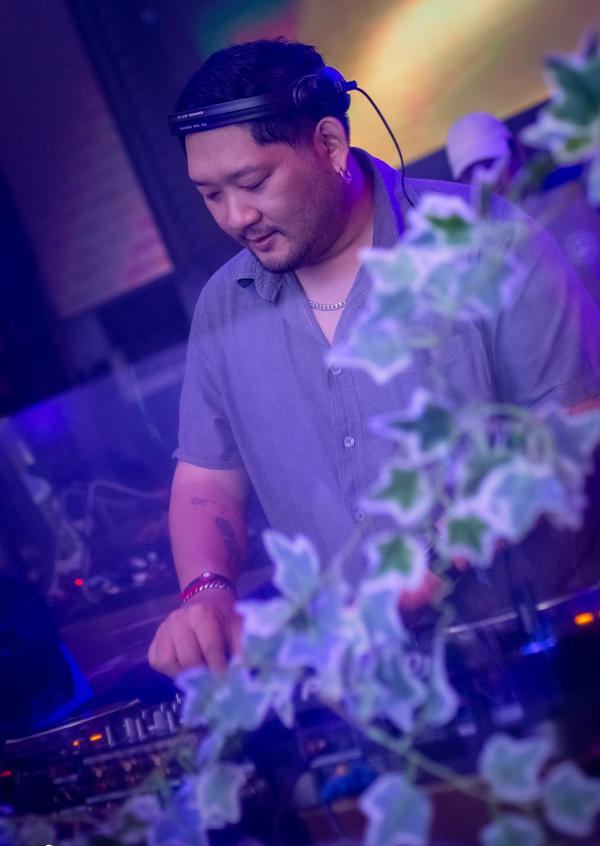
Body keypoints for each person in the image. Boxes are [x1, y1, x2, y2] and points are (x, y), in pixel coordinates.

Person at [148, 40, 600, 678]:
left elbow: (577, 428)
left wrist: (436, 565)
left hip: (550, 659)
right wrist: (206, 593)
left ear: (329, 143)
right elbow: (206, 481)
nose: (236, 217)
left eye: (252, 183)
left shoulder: (484, 243)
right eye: (210, 195)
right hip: (368, 693)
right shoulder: (223, 307)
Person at [446, 110, 600, 309]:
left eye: (491, 163)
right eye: (471, 174)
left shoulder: (577, 187)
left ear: (517, 151)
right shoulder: (479, 252)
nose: (489, 179)